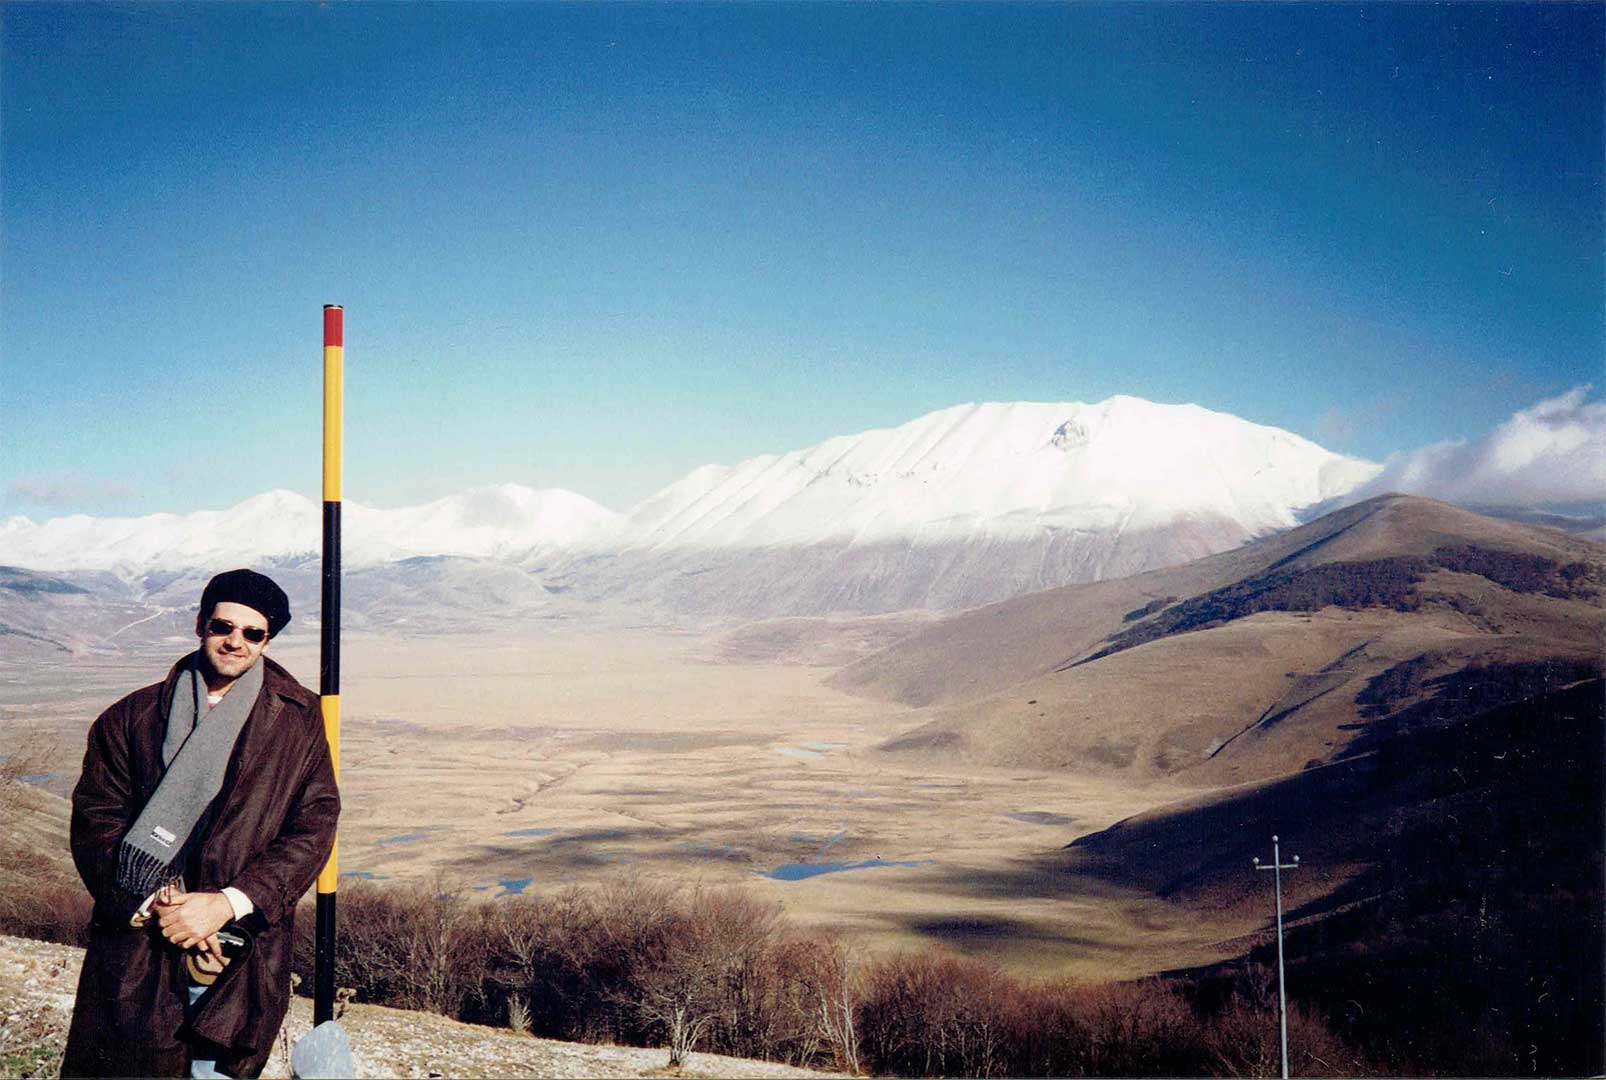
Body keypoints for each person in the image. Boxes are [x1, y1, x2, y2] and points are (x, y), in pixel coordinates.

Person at [61, 569, 340, 1078]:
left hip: (239, 951)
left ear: (267, 640)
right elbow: (97, 821)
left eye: (252, 634)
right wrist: (157, 904)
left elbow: (314, 825)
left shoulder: (298, 718)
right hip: (142, 946)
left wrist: (226, 904)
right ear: (200, 625)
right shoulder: (131, 717)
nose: (235, 642)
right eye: (223, 627)